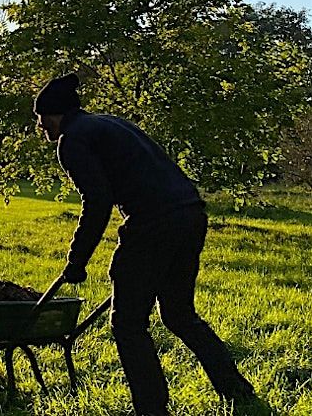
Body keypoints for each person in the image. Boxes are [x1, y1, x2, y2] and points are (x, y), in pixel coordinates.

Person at [34, 73, 255, 416]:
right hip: (190, 215)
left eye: (42, 118)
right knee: (180, 314)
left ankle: (151, 409)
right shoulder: (110, 123)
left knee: (127, 323)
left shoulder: (72, 140)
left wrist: (77, 261)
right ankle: (237, 391)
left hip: (155, 222)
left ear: (55, 114)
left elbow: (97, 201)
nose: (41, 126)